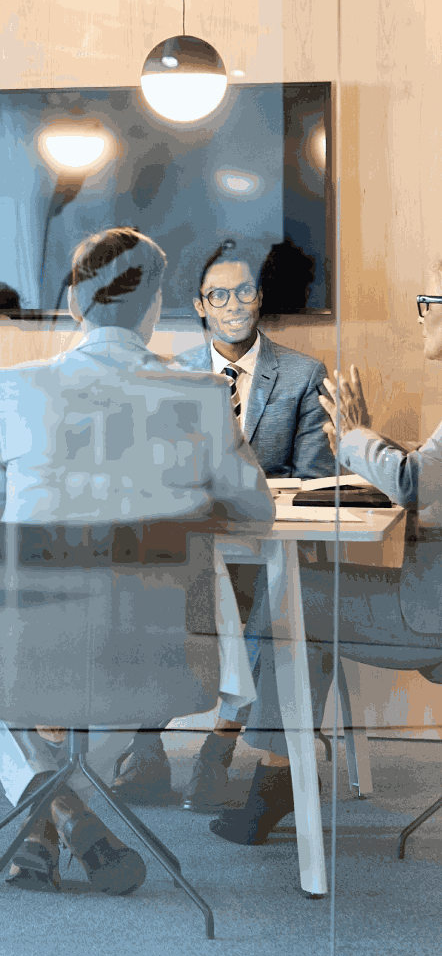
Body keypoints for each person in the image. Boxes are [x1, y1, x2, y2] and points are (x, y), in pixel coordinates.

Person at [0, 227, 275, 894]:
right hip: (165, 656)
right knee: (100, 673)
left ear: (71, 305)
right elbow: (255, 512)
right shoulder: (201, 393)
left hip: (31, 645)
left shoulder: (13, 388)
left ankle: (49, 805)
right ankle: (66, 811)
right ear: (155, 309)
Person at [210, 267, 442, 845]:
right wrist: (370, 444)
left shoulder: (299, 374)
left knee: (295, 599)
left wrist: (359, 437)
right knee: (305, 593)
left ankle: (273, 774)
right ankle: (275, 768)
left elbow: (416, 481)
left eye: (426, 299)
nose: (420, 314)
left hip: (430, 614)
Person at [115, 238, 336, 809]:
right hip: (191, 545)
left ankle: (222, 744)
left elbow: (313, 480)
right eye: (220, 294)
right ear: (200, 306)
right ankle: (144, 745)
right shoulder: (169, 374)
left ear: (260, 298)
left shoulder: (302, 374)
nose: (234, 302)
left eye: (244, 290)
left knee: (278, 602)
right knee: (145, 593)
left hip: (268, 547)